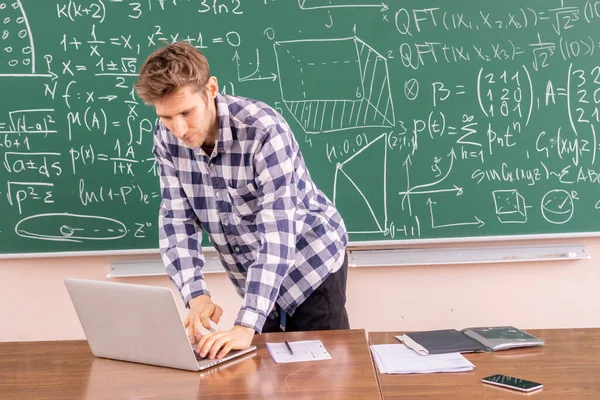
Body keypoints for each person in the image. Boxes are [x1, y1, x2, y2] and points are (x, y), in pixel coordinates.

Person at [134, 42, 349, 361]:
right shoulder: (166, 137)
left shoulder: (263, 129)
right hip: (256, 279)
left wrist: (246, 323)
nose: (178, 129)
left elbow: (278, 236)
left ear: (211, 89)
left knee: (323, 384)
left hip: (310, 265)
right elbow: (177, 220)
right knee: (271, 381)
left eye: (186, 112)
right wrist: (196, 295)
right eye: (166, 117)